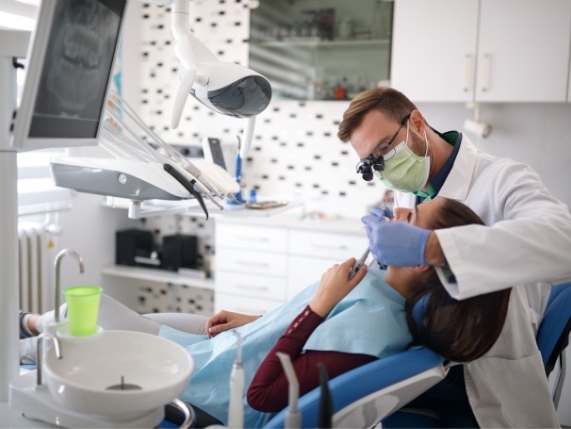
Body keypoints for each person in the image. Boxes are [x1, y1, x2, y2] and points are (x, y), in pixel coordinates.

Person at [21, 198, 511, 428]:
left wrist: (321, 302)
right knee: (102, 312)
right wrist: (256, 321)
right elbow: (303, 329)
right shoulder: (373, 286)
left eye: (413, 220)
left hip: (218, 392)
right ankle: (26, 329)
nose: (398, 213)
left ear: (428, 259)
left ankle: (22, 338)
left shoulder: (375, 328)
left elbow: (261, 393)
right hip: (230, 350)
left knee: (86, 318)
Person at [337, 86, 569, 427]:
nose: (384, 167)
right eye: (372, 163)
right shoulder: (408, 197)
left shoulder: (502, 178)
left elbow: (564, 239)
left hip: (481, 375)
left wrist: (431, 248)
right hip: (420, 368)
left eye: (386, 148)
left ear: (417, 122)